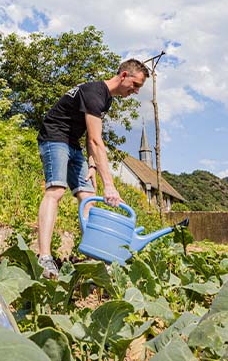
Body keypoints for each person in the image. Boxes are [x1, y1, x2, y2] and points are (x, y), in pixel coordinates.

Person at [35, 59, 150, 278]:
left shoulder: (105, 100)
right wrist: (110, 185)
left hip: (73, 143)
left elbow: (91, 136)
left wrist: (91, 164)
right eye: (136, 85)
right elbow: (98, 142)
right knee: (56, 191)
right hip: (54, 137)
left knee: (88, 196)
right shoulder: (95, 93)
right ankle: (45, 258)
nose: (135, 92)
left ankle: (91, 257)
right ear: (124, 75)